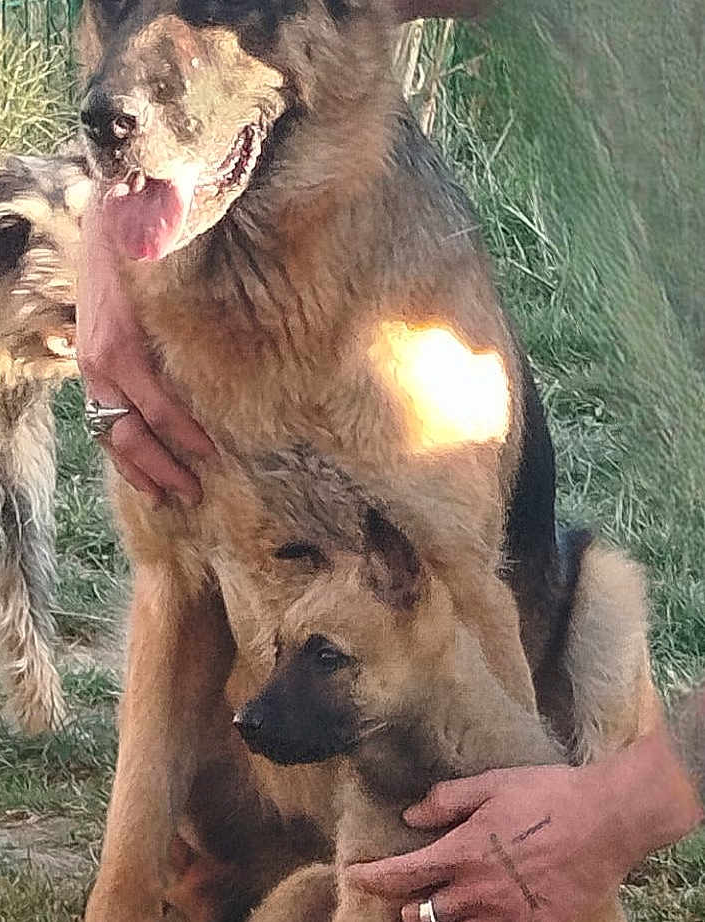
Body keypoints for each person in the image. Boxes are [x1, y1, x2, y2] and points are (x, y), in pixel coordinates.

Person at [75, 1, 705, 919]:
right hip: (277, 752)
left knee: (599, 601)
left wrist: (611, 812)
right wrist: (108, 228)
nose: (122, 72)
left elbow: (477, 607)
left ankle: (498, 861)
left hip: (452, 752)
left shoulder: (429, 335)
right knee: (176, 578)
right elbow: (174, 588)